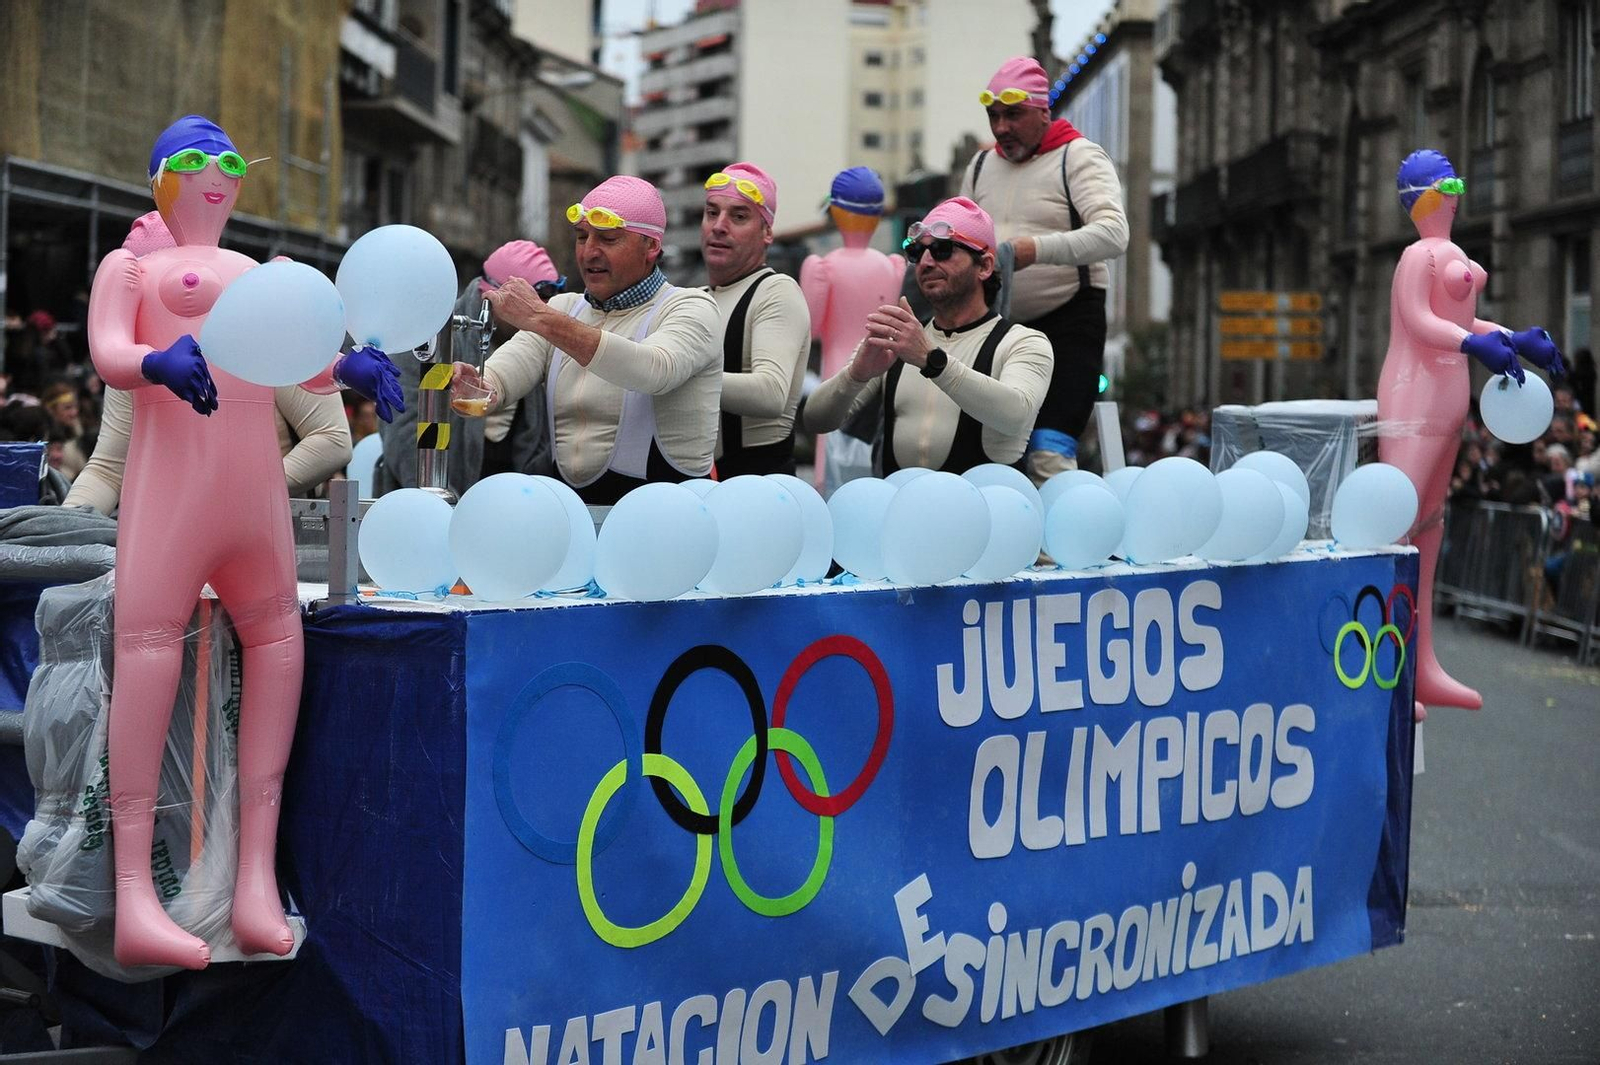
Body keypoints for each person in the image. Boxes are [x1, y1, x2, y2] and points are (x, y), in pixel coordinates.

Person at [87, 115, 400, 969]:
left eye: (228, 159)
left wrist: (349, 370)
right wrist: (155, 364)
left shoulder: (259, 273)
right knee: (149, 651)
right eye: (193, 159)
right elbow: (108, 349)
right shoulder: (130, 266)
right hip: (171, 497)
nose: (215, 173)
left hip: (251, 496)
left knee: (279, 648)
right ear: (159, 177)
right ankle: (134, 893)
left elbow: (295, 361)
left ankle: (255, 879)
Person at [1377, 148, 1563, 712]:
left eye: (1458, 182)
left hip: (1447, 400)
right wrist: (1474, 343)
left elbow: (1459, 321)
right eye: (1448, 184)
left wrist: (1511, 337)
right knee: (1398, 527)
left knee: (1430, 526)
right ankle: (1388, 663)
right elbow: (1418, 319)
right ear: (1425, 197)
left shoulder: (1446, 252)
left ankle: (1422, 661)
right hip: (1414, 396)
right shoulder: (1418, 256)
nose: (1456, 196)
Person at [451, 176, 721, 504]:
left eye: (608, 239)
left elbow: (654, 370)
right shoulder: (563, 309)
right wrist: (475, 387)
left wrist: (544, 320)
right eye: (581, 237)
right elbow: (502, 377)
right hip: (575, 520)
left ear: (651, 247)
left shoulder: (692, 307)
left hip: (665, 525)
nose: (589, 251)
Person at [66, 212, 352, 513]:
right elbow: (108, 470)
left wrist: (244, 495)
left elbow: (331, 439)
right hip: (165, 532)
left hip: (258, 527)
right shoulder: (140, 357)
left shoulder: (261, 336)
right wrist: (63, 529)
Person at [960, 56, 1128, 481]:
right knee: (991, 451)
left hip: (1069, 320)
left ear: (1043, 112)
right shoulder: (980, 166)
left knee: (1048, 451)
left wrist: (1032, 249)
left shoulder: (1079, 156)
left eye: (1013, 115)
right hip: (998, 324)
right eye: (993, 116)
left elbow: (1114, 235)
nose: (1001, 128)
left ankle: (1058, 545)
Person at [803, 197, 1053, 475]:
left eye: (942, 249)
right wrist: (855, 376)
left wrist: (931, 360)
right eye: (916, 252)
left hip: (984, 515)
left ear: (984, 266)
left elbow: (1016, 416)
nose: (925, 262)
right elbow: (815, 420)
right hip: (901, 514)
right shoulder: (899, 338)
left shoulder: (1023, 343)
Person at [380, 239, 562, 497]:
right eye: (528, 304)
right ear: (492, 296)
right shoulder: (431, 335)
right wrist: (445, 506)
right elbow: (404, 434)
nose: (535, 314)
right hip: (439, 501)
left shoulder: (541, 343)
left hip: (514, 503)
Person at [800, 167, 906, 492]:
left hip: (837, 373)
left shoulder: (821, 265)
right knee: (874, 466)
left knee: (829, 473)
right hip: (883, 376)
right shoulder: (893, 264)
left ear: (835, 209)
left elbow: (812, 329)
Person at [701, 162, 809, 477]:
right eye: (711, 212)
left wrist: (673, 377)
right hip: (703, 482)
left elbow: (771, 392)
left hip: (759, 485)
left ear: (767, 233)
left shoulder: (776, 291)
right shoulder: (696, 297)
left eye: (738, 216)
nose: (719, 226)